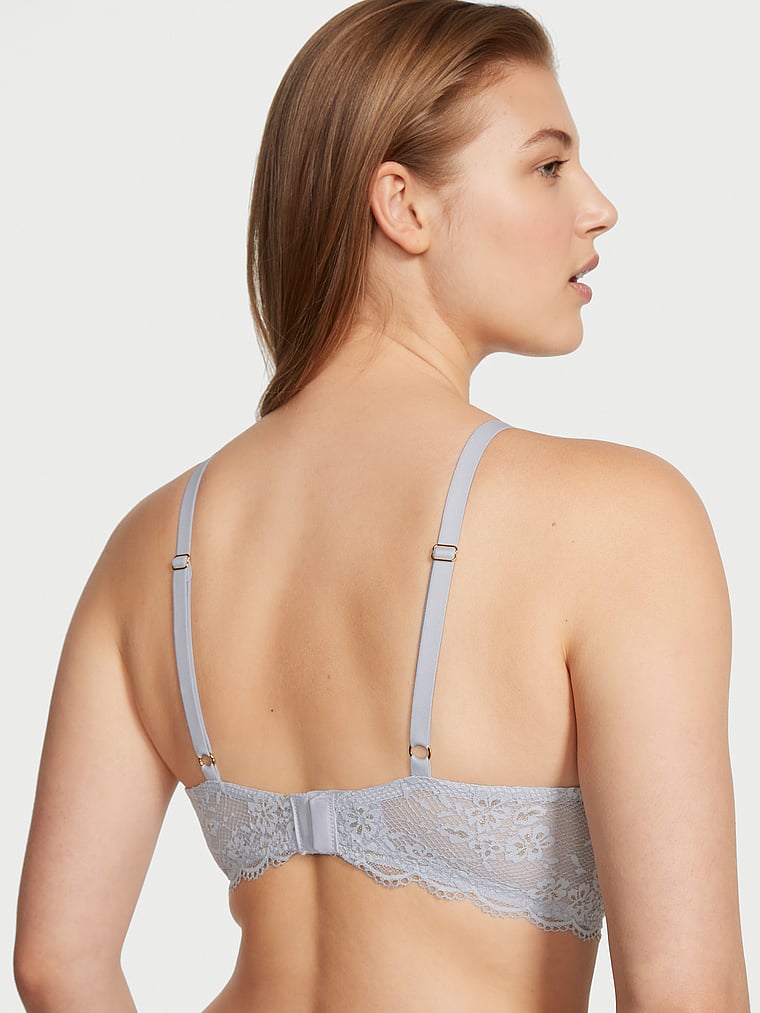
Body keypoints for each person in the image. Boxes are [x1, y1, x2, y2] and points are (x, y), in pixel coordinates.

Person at [14, 0, 750, 1010]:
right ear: (402, 206)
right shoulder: (620, 520)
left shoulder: (151, 543)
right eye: (548, 166)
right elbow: (685, 989)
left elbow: (56, 961)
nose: (597, 207)